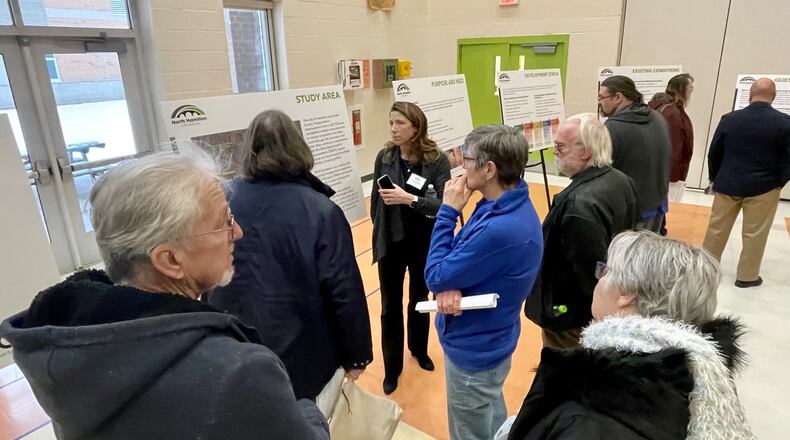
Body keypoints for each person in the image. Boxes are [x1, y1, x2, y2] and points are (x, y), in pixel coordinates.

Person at [0, 152, 329, 439]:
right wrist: (307, 409)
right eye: (224, 222)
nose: (238, 233)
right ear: (170, 260)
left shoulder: (61, 348)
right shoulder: (238, 371)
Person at [506, 230, 755, 440]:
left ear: (626, 293)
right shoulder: (701, 377)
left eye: (606, 271)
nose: (599, 279)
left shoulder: (590, 412)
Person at [206, 109, 373, 402]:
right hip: (302, 355)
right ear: (298, 146)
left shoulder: (224, 199)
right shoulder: (320, 211)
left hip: (234, 347)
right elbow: (344, 290)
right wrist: (357, 355)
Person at [425, 125, 543, 440]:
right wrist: (452, 282)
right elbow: (459, 262)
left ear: (489, 169)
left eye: (466, 158)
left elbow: (435, 274)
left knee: (471, 431)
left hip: (474, 353)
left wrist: (448, 211)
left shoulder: (501, 228)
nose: (461, 165)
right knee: (491, 419)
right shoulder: (508, 201)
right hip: (491, 342)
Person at [525, 113, 637, 349]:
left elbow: (590, 274)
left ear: (585, 151)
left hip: (570, 318)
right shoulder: (620, 180)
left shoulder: (579, 206)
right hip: (594, 309)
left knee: (563, 376)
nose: (554, 152)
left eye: (560, 146)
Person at [371, 101, 452, 394]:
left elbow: (445, 204)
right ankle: (392, 367)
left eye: (400, 123)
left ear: (416, 127)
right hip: (391, 242)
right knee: (389, 306)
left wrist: (411, 200)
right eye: (391, 122)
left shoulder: (437, 160)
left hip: (423, 241)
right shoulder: (385, 157)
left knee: (419, 298)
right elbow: (375, 202)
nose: (393, 128)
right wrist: (381, 229)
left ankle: (419, 349)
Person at [703, 77, 790, 288]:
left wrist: (716, 177)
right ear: (774, 97)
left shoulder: (729, 119)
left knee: (716, 230)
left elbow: (714, 152)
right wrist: (779, 181)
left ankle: (705, 272)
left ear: (750, 95)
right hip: (764, 186)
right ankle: (747, 276)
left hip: (727, 184)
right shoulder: (786, 123)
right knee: (755, 234)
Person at [599, 75, 671, 233]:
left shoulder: (613, 127)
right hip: (658, 205)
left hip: (632, 212)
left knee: (626, 257)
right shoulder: (658, 117)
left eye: (602, 97)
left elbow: (601, 171)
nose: (599, 102)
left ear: (618, 97)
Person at [648, 73, 695, 203]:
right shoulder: (672, 112)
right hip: (669, 175)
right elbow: (673, 146)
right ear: (682, 89)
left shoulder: (666, 109)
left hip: (662, 172)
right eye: (690, 87)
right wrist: (674, 176)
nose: (692, 90)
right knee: (668, 210)